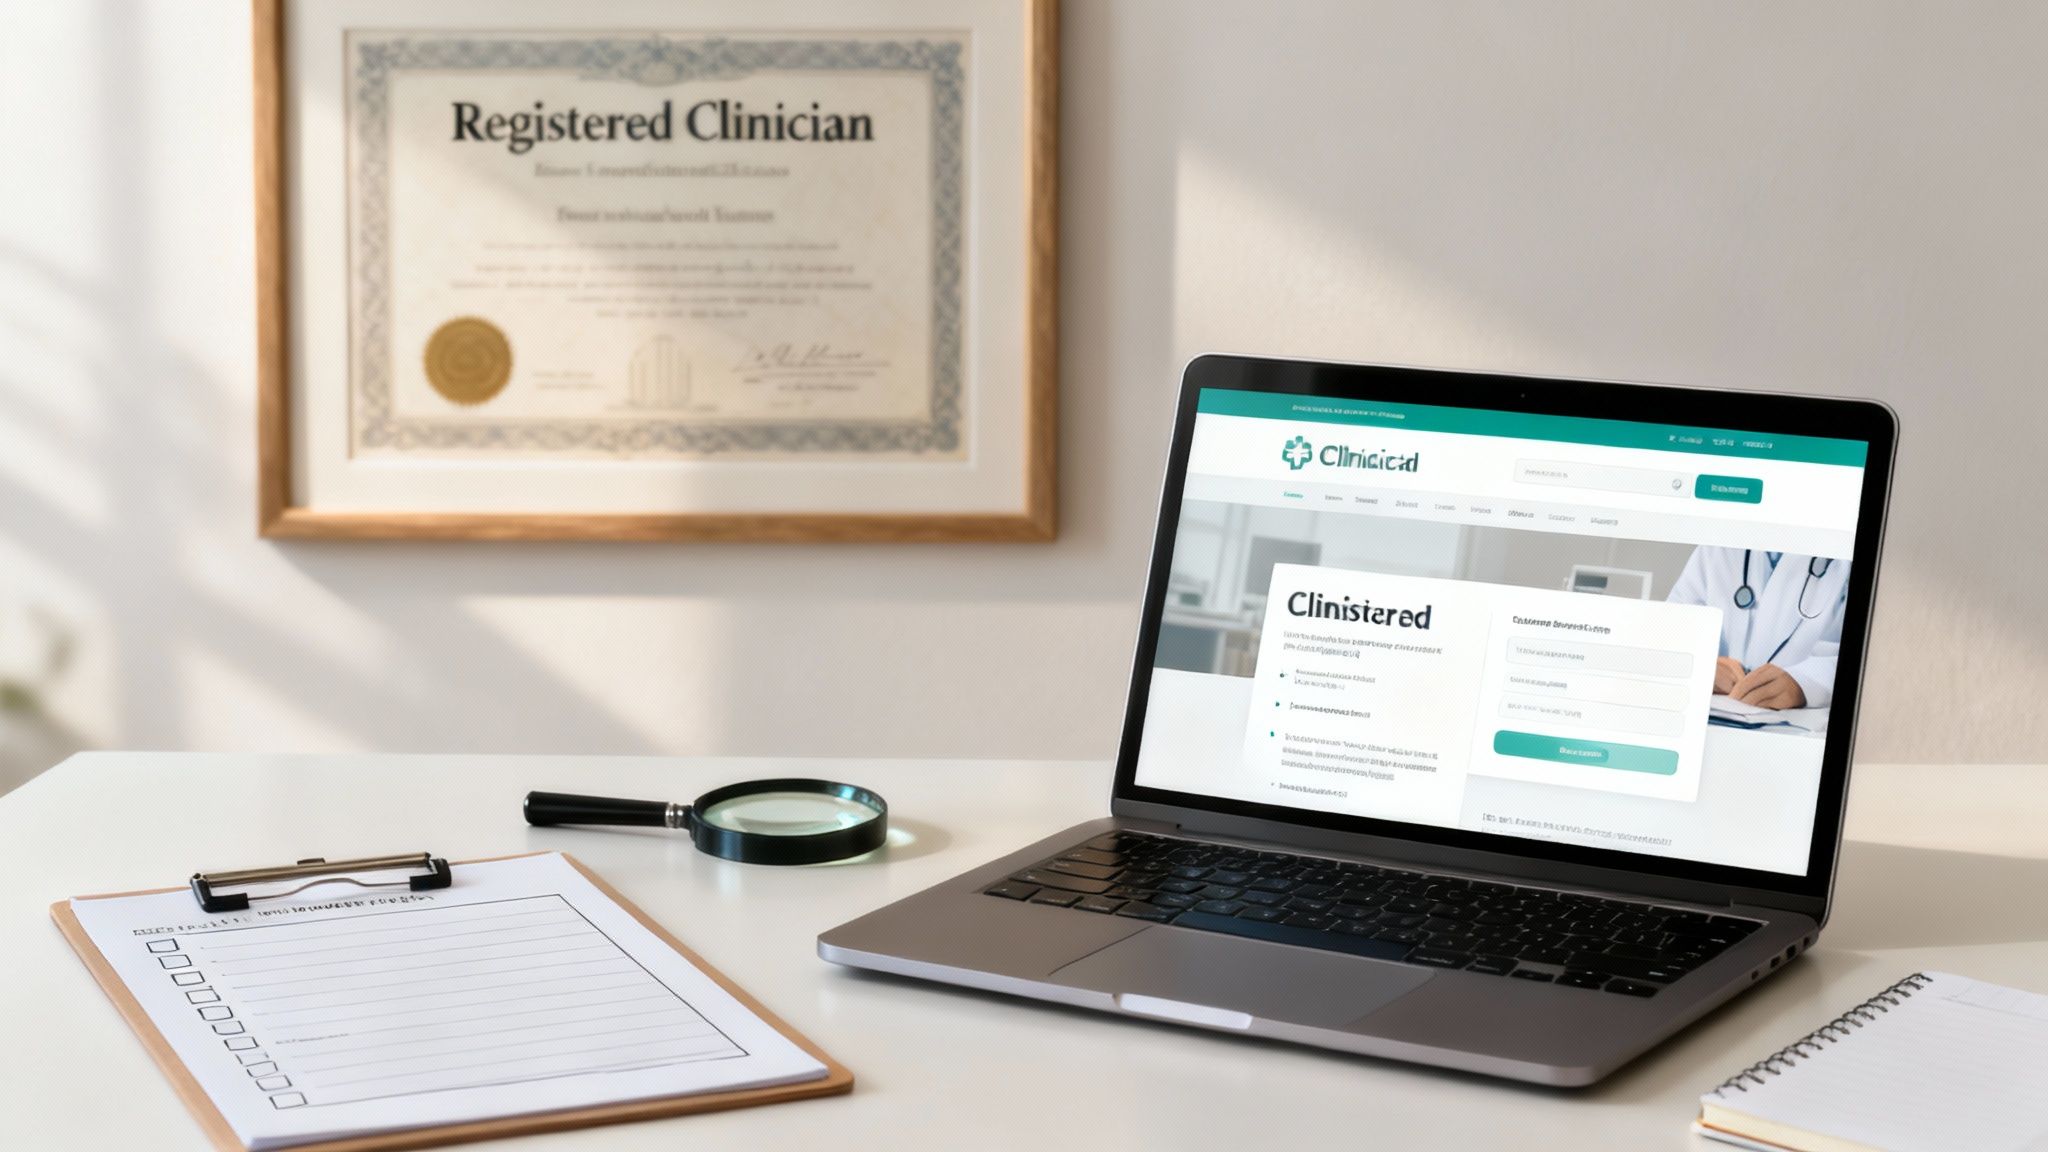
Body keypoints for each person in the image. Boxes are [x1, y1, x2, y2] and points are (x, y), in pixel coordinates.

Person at [1665, 546, 1849, 710]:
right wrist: (1700, 665)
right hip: (1717, 716)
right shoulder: (1717, 548)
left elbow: (1867, 657)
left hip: (1797, 728)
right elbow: (1670, 633)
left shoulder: (1847, 555)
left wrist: (1805, 683)